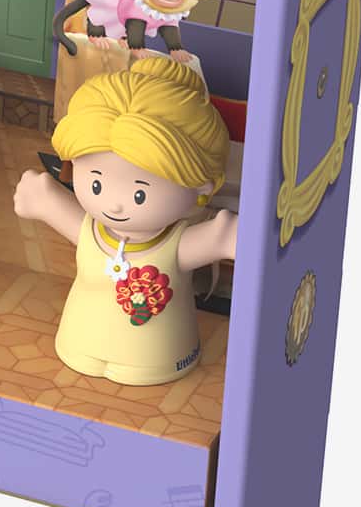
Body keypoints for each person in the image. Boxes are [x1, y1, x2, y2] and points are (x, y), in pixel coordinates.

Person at [14, 54, 236, 384]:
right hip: (79, 341)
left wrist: (225, 237)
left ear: (201, 186)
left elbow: (220, 238)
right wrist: (44, 200)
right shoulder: (92, 230)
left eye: (139, 194)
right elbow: (56, 208)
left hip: (160, 356)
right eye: (97, 184)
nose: (115, 206)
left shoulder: (175, 245)